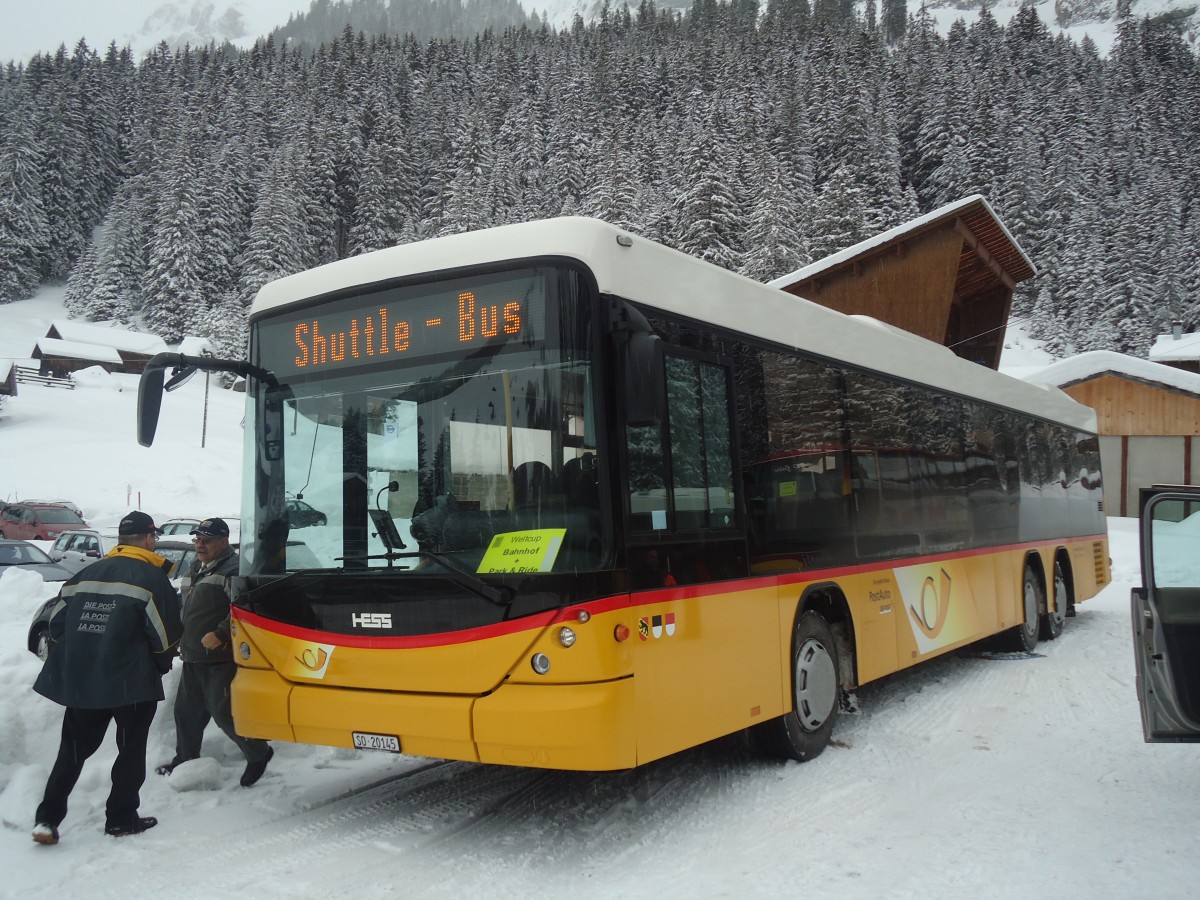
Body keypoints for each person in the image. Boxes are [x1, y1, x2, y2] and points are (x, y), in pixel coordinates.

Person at [32, 510, 182, 845]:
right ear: (147, 538)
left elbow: (56, 623)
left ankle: (46, 820)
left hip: (85, 681)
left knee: (71, 751)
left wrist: (83, 652)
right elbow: (166, 635)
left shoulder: (87, 574)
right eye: (154, 537)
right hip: (132, 683)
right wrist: (160, 663)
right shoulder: (152, 578)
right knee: (130, 752)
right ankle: (121, 818)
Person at [156, 517, 273, 787]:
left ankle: (259, 753)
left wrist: (221, 633)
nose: (200, 545)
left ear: (223, 541)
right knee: (186, 713)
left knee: (224, 713)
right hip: (193, 654)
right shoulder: (197, 566)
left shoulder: (234, 569)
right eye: (197, 539)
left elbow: (242, 607)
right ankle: (184, 760)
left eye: (206, 540)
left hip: (219, 657)